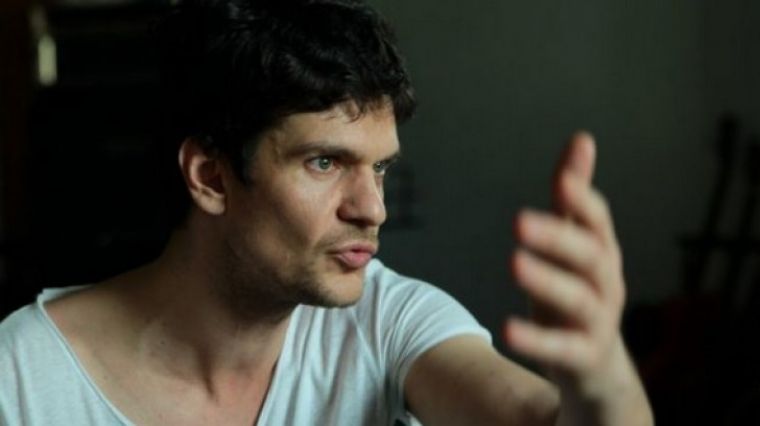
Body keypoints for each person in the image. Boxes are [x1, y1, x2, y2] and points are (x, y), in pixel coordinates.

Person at [0, 0, 653, 424]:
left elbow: (528, 416)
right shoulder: (22, 376)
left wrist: (605, 385)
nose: (373, 209)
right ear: (211, 177)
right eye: (324, 162)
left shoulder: (387, 319)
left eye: (380, 167)